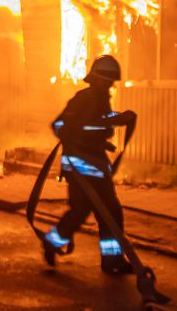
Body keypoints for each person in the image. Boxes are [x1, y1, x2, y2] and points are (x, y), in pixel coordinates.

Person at [41, 54, 137, 274]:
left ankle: (111, 260)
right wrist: (110, 123)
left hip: (94, 163)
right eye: (109, 81)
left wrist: (119, 117)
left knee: (108, 212)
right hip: (80, 165)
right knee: (87, 210)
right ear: (98, 79)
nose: (112, 86)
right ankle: (53, 242)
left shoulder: (100, 98)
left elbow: (98, 121)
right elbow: (61, 125)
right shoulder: (83, 98)